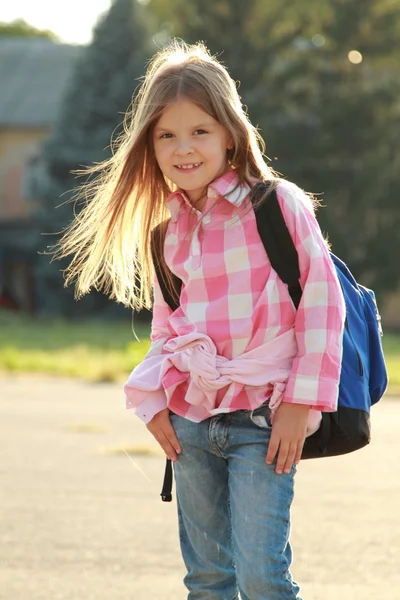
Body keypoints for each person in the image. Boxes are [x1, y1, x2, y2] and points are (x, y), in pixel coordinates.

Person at [57, 41, 346, 600]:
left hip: (265, 420)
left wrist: (299, 404)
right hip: (192, 420)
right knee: (208, 580)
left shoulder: (276, 206)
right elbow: (169, 330)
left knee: (264, 578)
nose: (182, 148)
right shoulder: (168, 232)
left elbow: (322, 303)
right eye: (166, 135)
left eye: (199, 132)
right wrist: (152, 400)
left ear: (230, 135)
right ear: (150, 144)